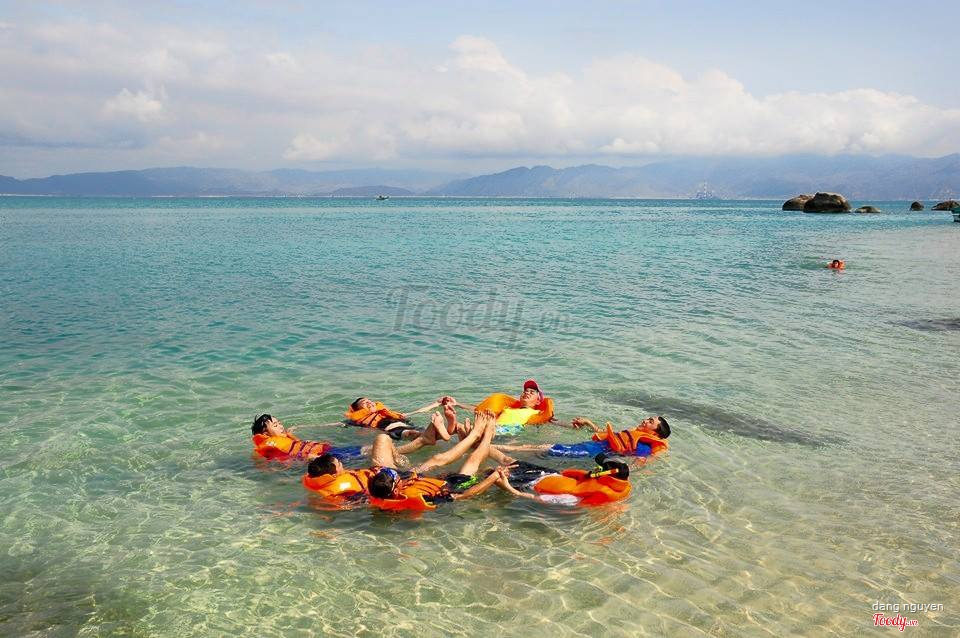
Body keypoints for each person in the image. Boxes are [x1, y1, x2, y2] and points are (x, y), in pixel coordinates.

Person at [304, 410, 510, 506]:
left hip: (391, 475)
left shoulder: (326, 477)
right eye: (339, 464)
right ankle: (480, 434)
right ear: (334, 472)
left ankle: (421, 443)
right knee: (442, 459)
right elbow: (463, 496)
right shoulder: (339, 493)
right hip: (405, 480)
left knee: (382, 439)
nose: (342, 463)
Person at [367, 410, 514, 510]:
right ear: (396, 488)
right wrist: (494, 477)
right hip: (453, 485)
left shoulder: (386, 487)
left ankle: (472, 438)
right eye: (394, 475)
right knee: (473, 460)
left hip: (428, 479)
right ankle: (485, 435)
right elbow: (463, 496)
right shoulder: (420, 499)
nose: (395, 473)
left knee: (437, 458)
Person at [497, 415, 671, 458]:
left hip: (588, 453)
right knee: (544, 448)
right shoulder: (633, 435)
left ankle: (501, 448)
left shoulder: (644, 447)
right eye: (648, 418)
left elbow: (637, 462)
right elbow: (604, 434)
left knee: (547, 448)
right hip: (587, 446)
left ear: (655, 433)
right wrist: (588, 422)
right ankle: (503, 449)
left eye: (650, 421)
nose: (645, 420)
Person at [496, 454, 633, 506]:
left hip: (530, 482)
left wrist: (511, 489)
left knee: (493, 474)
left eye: (599, 468)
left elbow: (539, 498)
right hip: (550, 474)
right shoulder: (606, 483)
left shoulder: (574, 498)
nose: (595, 469)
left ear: (606, 474)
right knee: (508, 460)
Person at [446, 379, 556, 430]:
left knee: (462, 429)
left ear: (538, 401)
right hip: (493, 428)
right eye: (525, 391)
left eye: (531, 392)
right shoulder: (508, 409)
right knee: (462, 428)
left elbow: (552, 422)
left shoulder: (536, 413)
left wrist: (568, 425)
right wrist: (457, 404)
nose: (527, 393)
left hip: (508, 433)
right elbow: (478, 409)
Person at [251, 414, 364, 461]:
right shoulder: (268, 446)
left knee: (366, 451)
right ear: (265, 434)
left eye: (280, 423)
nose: (281, 426)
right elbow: (260, 459)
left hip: (326, 451)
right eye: (275, 425)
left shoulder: (286, 437)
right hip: (320, 457)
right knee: (367, 451)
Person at [345, 396, 451, 441]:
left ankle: (441, 429)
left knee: (419, 431)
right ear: (358, 410)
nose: (369, 402)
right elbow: (339, 424)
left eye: (370, 400)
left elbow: (417, 411)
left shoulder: (388, 413)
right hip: (393, 428)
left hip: (404, 424)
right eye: (364, 402)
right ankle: (446, 428)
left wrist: (436, 403)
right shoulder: (359, 420)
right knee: (410, 433)